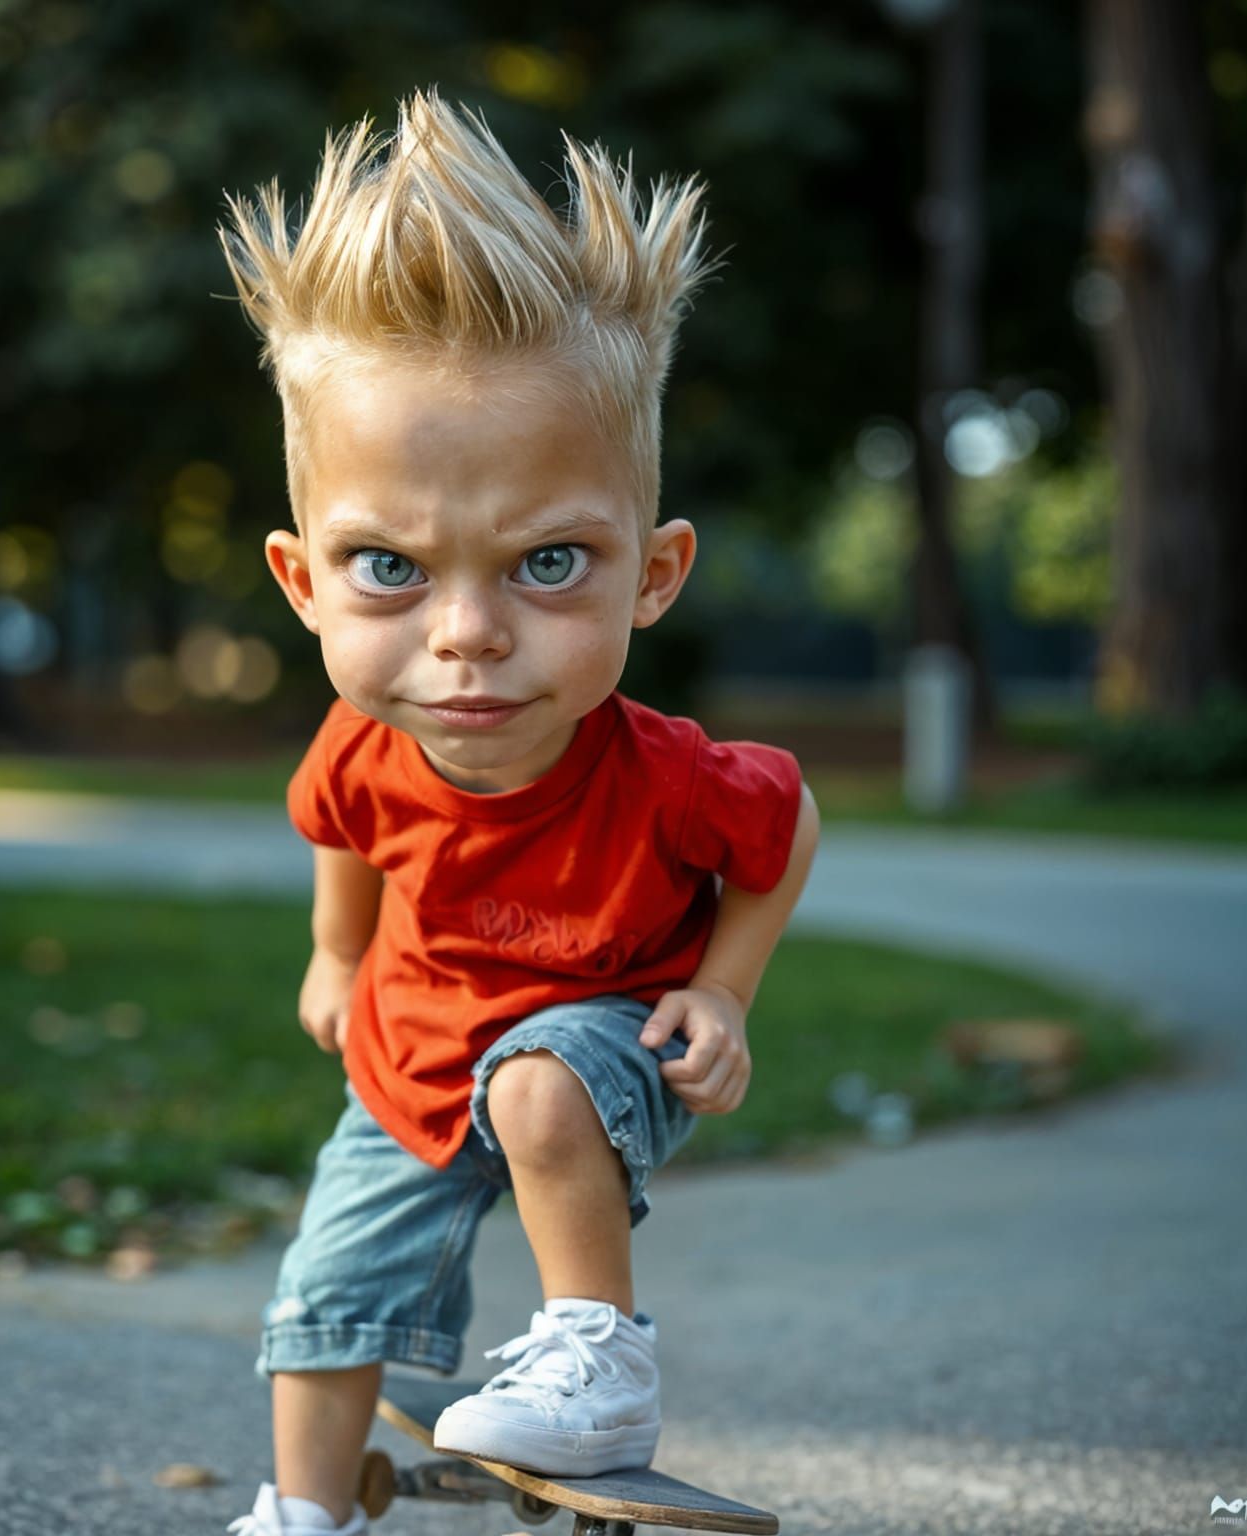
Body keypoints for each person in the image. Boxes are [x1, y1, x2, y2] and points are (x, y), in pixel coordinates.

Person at [215, 85, 820, 1536]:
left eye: (549, 564)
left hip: (608, 1042)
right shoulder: (361, 744)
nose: (469, 633)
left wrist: (724, 994)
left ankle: (597, 1365)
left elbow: (783, 826)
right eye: (391, 569)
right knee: (323, 1295)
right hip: (413, 1050)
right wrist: (340, 960)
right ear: (301, 581)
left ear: (654, 573)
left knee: (539, 1084)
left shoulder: (668, 770)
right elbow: (342, 835)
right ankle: (304, 1513)